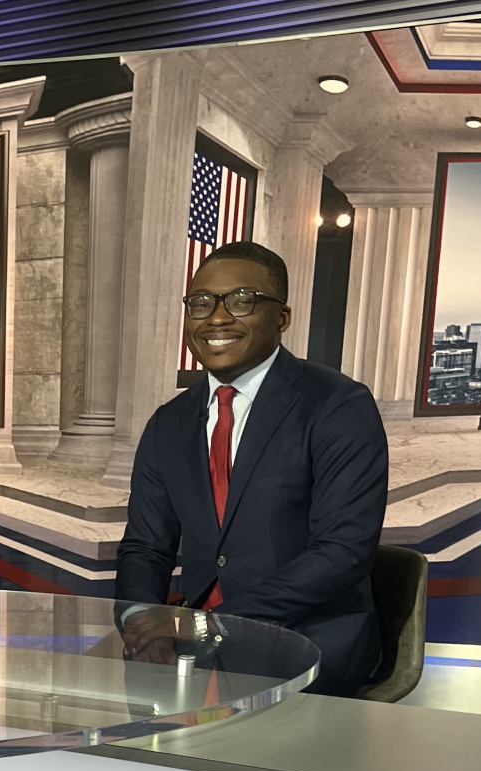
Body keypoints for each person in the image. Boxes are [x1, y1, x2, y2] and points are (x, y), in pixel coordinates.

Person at [115, 241, 389, 697]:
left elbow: (343, 551)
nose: (216, 318)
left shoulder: (338, 405)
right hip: (193, 641)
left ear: (281, 317)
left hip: (306, 638)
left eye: (241, 300)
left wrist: (209, 626)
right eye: (201, 303)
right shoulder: (168, 422)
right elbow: (146, 547)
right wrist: (141, 620)